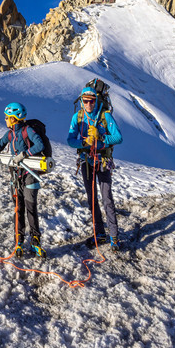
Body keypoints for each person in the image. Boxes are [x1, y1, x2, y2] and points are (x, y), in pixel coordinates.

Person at [0, 102, 47, 257]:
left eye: (7, 117)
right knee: (18, 210)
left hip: (30, 175)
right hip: (15, 177)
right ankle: (19, 241)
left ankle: (36, 242)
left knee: (31, 209)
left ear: (14, 118)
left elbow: (39, 145)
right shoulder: (10, 134)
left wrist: (25, 154)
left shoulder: (28, 131)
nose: (5, 120)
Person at [68, 86, 123, 249]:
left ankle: (113, 235)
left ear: (96, 100)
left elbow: (118, 137)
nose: (88, 104)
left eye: (91, 101)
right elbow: (70, 140)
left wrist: (101, 138)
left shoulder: (105, 116)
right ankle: (100, 233)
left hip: (103, 160)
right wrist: (84, 143)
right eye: (85, 101)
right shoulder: (77, 117)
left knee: (107, 198)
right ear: (81, 101)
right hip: (86, 160)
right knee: (92, 198)